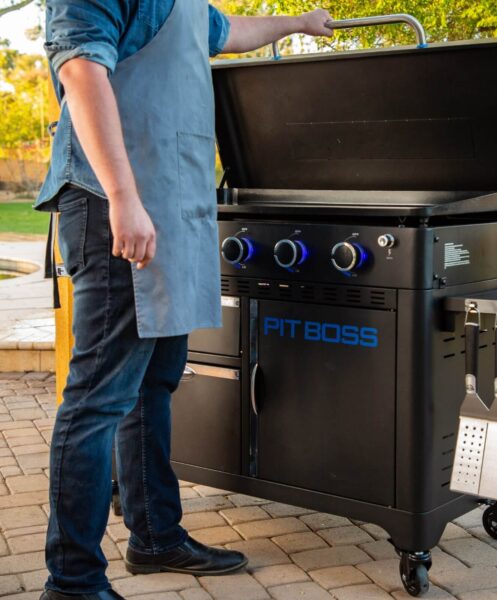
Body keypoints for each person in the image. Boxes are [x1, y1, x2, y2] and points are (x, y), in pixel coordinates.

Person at [35, 2, 333, 599]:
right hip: (114, 202)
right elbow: (80, 69)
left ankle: (155, 536)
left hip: (166, 201)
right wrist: (122, 197)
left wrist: (298, 23)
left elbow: (227, 32)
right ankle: (71, 581)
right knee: (98, 396)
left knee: (154, 381)